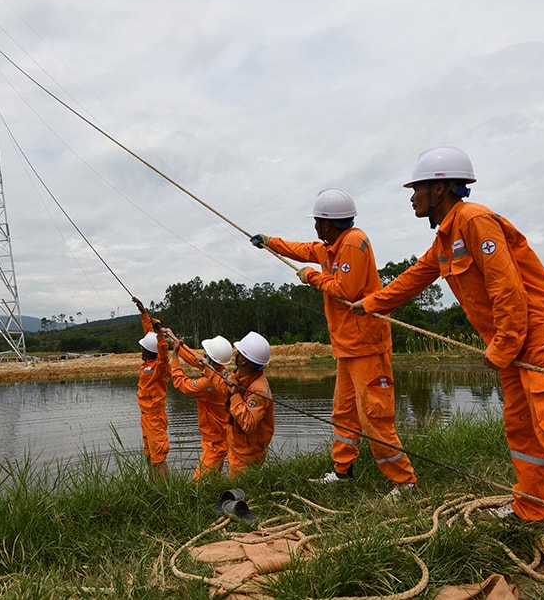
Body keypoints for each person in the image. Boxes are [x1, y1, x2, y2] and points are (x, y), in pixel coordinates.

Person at [349, 146, 544, 589]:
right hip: (516, 345)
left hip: (542, 340)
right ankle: (532, 506)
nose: (411, 197)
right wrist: (369, 304)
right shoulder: (446, 238)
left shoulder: (475, 220)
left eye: (417, 189)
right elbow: (415, 277)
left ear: (441, 187)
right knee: (522, 429)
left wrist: (502, 346)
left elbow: (509, 290)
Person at [250, 189, 418, 496]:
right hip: (349, 347)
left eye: (317, 221)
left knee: (374, 416)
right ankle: (343, 472)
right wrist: (269, 242)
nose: (315, 226)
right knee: (344, 412)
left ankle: (404, 482)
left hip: (367, 345)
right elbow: (304, 249)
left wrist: (311, 277)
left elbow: (346, 290)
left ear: (327, 223)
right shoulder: (332, 246)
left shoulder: (353, 243)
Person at [167, 332, 232, 482]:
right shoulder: (220, 371)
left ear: (210, 358)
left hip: (215, 441)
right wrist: (174, 339)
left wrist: (175, 357)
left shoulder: (208, 386)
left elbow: (181, 383)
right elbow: (193, 357)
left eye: (205, 354)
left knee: (199, 484)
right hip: (220, 435)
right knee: (212, 479)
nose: (202, 355)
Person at [224, 331, 275, 478]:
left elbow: (248, 423)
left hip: (246, 455)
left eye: (238, 352)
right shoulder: (242, 376)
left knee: (239, 491)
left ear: (243, 359)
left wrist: (234, 395)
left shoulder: (258, 388)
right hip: (240, 448)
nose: (235, 354)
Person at [133, 296, 171, 478]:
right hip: (146, 417)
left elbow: (162, 353)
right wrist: (143, 313)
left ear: (149, 351)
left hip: (155, 418)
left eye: (143, 348)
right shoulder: (148, 362)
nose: (141, 349)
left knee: (159, 458)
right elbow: (149, 335)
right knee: (149, 455)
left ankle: (167, 492)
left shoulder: (159, 367)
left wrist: (161, 336)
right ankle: (154, 487)